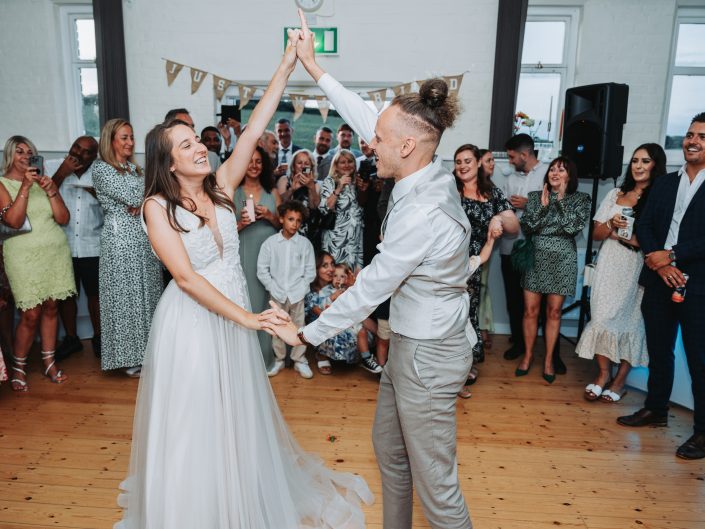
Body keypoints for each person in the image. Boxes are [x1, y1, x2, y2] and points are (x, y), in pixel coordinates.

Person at [116, 31, 372, 529]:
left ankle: (237, 495)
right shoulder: (155, 207)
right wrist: (251, 318)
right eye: (186, 144)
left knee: (235, 414)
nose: (199, 148)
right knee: (196, 417)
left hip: (232, 316)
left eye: (197, 141)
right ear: (168, 161)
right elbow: (187, 279)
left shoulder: (222, 185)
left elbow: (254, 127)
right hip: (191, 323)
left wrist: (288, 63)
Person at [269, 13, 476, 528]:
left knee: (439, 489)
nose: (369, 143)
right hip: (412, 338)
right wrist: (314, 69)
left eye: (379, 140)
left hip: (429, 354)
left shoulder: (421, 213)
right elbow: (368, 117)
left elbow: (369, 290)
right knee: (389, 448)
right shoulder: (421, 164)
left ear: (405, 146)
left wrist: (305, 333)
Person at [618, 113, 705, 460]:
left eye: (701, 136)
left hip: (697, 284)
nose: (693, 140)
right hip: (657, 280)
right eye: (689, 134)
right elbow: (646, 222)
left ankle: (702, 432)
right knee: (659, 349)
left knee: (700, 360)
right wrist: (657, 259)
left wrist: (671, 255)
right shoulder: (666, 183)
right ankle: (656, 409)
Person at [576, 144, 666, 402]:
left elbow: (659, 238)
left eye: (645, 161)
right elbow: (595, 234)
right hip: (610, 261)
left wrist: (637, 241)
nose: (638, 166)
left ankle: (619, 380)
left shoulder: (659, 197)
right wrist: (611, 224)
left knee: (632, 323)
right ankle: (603, 374)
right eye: (635, 161)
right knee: (601, 318)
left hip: (638, 266)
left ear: (655, 165)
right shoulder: (616, 193)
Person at [0, 135, 76, 391]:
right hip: (23, 256)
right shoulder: (1, 184)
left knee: (52, 307)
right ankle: (19, 367)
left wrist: (52, 190)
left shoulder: (45, 182)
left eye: (29, 152)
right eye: (19, 151)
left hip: (54, 252)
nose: (25, 156)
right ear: (10, 155)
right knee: (30, 314)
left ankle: (49, 362)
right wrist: (24, 186)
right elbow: (13, 221)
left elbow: (63, 218)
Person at [93, 119, 163, 376]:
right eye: (124, 137)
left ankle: (148, 354)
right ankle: (128, 357)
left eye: (131, 137)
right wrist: (146, 198)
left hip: (144, 237)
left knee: (148, 294)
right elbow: (140, 196)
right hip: (120, 240)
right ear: (110, 140)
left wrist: (145, 200)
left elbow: (155, 193)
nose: (130, 142)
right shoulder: (102, 169)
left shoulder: (134, 169)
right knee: (126, 297)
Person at [515, 156, 591, 383]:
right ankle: (528, 356)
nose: (555, 173)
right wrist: (543, 207)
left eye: (561, 170)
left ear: (570, 176)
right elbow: (527, 227)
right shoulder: (535, 198)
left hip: (562, 259)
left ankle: (548, 360)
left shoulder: (581, 199)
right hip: (536, 257)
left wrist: (558, 201)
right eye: (552, 169)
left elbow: (571, 228)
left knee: (554, 312)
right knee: (530, 310)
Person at [453, 143, 518, 396]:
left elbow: (513, 227)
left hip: (476, 262)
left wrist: (498, 218)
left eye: (467, 160)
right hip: (448, 261)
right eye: (458, 161)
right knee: (451, 315)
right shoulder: (450, 189)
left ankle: (463, 365)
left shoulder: (492, 192)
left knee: (468, 314)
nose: (462, 165)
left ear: (478, 162)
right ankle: (448, 368)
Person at [501, 134, 567, 374]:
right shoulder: (509, 179)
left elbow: (558, 208)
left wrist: (526, 205)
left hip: (541, 250)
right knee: (515, 302)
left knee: (548, 304)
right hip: (511, 247)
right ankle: (520, 345)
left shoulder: (549, 175)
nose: (509, 161)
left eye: (511, 156)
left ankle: (553, 355)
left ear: (524, 155)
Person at [45, 136, 102, 360]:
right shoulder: (52, 167)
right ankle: (71, 339)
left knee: (95, 295)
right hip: (62, 243)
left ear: (93, 157)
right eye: (76, 147)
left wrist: (99, 194)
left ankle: (99, 338)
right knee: (66, 294)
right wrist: (62, 172)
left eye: (86, 151)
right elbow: (40, 199)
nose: (78, 153)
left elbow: (113, 206)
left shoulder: (100, 173)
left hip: (93, 245)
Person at [256, 200, 316, 379]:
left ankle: (299, 359)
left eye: (298, 221)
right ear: (281, 219)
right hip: (277, 293)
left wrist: (302, 289)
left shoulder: (305, 244)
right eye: (290, 219)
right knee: (277, 327)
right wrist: (273, 288)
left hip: (298, 294)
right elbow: (262, 269)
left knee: (299, 327)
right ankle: (279, 359)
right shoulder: (270, 243)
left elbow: (310, 272)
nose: (294, 224)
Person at [235, 146, 281, 370]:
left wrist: (271, 216)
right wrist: (241, 223)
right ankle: (243, 360)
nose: (253, 166)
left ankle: (267, 357)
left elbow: (285, 226)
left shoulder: (272, 193)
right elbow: (220, 233)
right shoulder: (233, 192)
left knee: (267, 304)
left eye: (258, 162)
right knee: (246, 302)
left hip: (270, 255)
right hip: (244, 252)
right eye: (249, 161)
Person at [304, 254, 363, 374]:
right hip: (324, 323)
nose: (331, 269)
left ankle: (365, 355)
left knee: (363, 330)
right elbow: (323, 314)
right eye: (325, 266)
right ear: (316, 269)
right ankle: (322, 354)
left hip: (343, 318)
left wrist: (351, 287)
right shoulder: (311, 291)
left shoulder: (340, 286)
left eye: (332, 264)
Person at [318, 149, 364, 271]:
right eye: (342, 162)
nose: (347, 165)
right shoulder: (330, 181)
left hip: (354, 239)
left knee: (352, 277)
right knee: (335, 274)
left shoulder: (357, 182)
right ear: (336, 166)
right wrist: (339, 187)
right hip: (335, 239)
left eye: (350, 161)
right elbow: (325, 208)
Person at [276, 148, 321, 243]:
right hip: (287, 229)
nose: (303, 166)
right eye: (299, 163)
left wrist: (311, 188)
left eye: (306, 164)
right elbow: (279, 205)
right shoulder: (284, 180)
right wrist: (292, 189)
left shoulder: (315, 184)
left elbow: (315, 207)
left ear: (311, 167)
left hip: (307, 231)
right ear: (293, 166)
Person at [477, 148, 496, 349]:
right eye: (489, 160)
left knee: (482, 287)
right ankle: (478, 329)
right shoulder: (466, 187)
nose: (493, 163)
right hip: (469, 247)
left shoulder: (491, 188)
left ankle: (482, 327)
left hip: (486, 246)